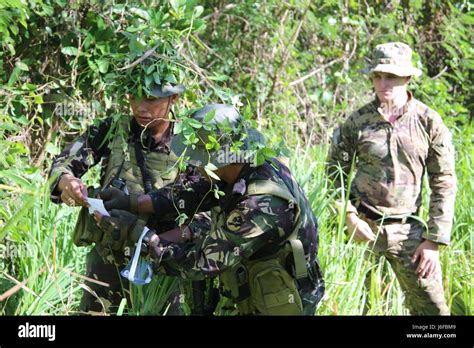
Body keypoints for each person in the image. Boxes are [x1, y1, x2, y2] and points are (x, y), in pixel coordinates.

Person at [96, 104, 325, 315]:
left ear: (218, 159)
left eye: (198, 160)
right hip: (255, 288)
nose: (194, 166)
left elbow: (203, 262)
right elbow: (191, 193)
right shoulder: (244, 165)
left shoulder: (261, 205)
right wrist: (132, 202)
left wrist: (139, 236)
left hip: (280, 302)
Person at [48, 66, 211, 314]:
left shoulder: (190, 145)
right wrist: (67, 182)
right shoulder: (113, 130)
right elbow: (63, 163)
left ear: (173, 98)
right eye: (133, 96)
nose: (140, 107)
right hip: (106, 262)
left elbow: (205, 216)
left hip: (160, 267)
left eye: (151, 99)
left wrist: (152, 240)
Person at [327, 42, 456, 315]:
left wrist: (434, 240)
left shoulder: (428, 121)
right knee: (354, 307)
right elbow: (333, 176)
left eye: (392, 77)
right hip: (361, 229)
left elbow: (443, 180)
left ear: (408, 78)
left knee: (434, 312)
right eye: (377, 76)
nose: (383, 83)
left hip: (410, 231)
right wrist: (348, 216)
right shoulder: (357, 122)